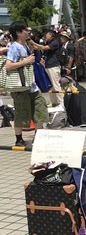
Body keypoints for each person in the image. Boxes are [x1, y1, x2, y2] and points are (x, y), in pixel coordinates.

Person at [5, 21, 49, 149]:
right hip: (20, 87)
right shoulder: (14, 47)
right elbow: (8, 66)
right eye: (25, 30)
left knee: (40, 108)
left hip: (32, 85)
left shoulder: (25, 45)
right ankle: (19, 139)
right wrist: (26, 61)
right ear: (18, 32)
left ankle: (38, 137)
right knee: (21, 112)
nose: (28, 32)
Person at [36, 29, 64, 105]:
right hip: (48, 66)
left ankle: (61, 102)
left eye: (46, 34)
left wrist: (32, 42)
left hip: (54, 66)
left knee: (56, 85)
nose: (45, 36)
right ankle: (54, 102)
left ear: (51, 35)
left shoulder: (55, 42)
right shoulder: (47, 42)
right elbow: (41, 49)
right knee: (50, 85)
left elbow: (44, 48)